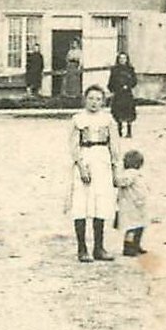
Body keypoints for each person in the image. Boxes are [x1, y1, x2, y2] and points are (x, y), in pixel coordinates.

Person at [66, 85, 121, 261]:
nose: (94, 102)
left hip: (102, 159)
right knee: (81, 202)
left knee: (101, 202)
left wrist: (114, 167)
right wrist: (81, 166)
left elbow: (114, 145)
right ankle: (82, 248)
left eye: (98, 99)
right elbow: (73, 145)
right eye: (91, 98)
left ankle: (99, 247)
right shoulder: (78, 119)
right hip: (85, 157)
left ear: (103, 101)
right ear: (85, 99)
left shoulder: (108, 119)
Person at [117, 149, 150, 257]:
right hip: (131, 204)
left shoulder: (136, 174)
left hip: (138, 203)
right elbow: (121, 182)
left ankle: (135, 245)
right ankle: (129, 247)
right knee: (131, 227)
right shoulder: (130, 174)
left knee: (139, 225)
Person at [107, 52, 139, 139]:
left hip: (127, 94)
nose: (122, 60)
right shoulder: (115, 70)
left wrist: (128, 86)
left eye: (124, 58)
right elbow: (111, 81)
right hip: (118, 94)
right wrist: (114, 88)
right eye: (120, 58)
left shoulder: (130, 69)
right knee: (118, 112)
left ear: (127, 59)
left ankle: (129, 131)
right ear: (118, 59)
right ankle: (119, 131)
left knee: (128, 112)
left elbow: (134, 81)